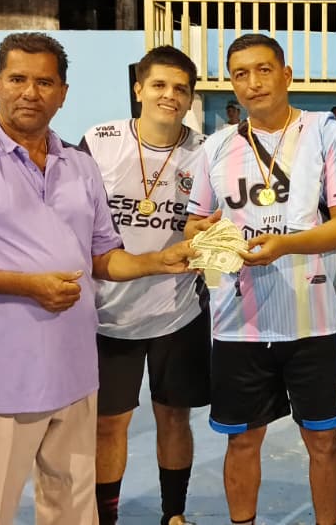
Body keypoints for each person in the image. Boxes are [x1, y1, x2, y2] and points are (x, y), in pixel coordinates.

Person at [0, 32, 197, 525]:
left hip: (74, 376)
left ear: (62, 93)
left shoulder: (79, 164)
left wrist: (158, 261)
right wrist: (26, 285)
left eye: (44, 83)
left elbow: (103, 257)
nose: (30, 93)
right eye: (18, 79)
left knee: (72, 512)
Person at [185, 33, 336, 525]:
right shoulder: (215, 147)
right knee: (242, 440)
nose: (253, 82)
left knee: (324, 440)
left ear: (286, 75)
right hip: (237, 321)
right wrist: (204, 237)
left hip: (316, 320)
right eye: (240, 74)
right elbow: (194, 223)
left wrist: (284, 244)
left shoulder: (328, 133)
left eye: (263, 69)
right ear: (231, 85)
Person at [79, 45, 211, 525]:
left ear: (191, 98)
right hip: (108, 313)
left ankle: (173, 514)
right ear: (139, 89)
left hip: (178, 310)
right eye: (158, 85)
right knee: (109, 424)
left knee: (174, 418)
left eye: (180, 88)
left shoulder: (206, 152)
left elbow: (218, 222)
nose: (169, 95)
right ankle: (105, 518)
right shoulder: (99, 141)